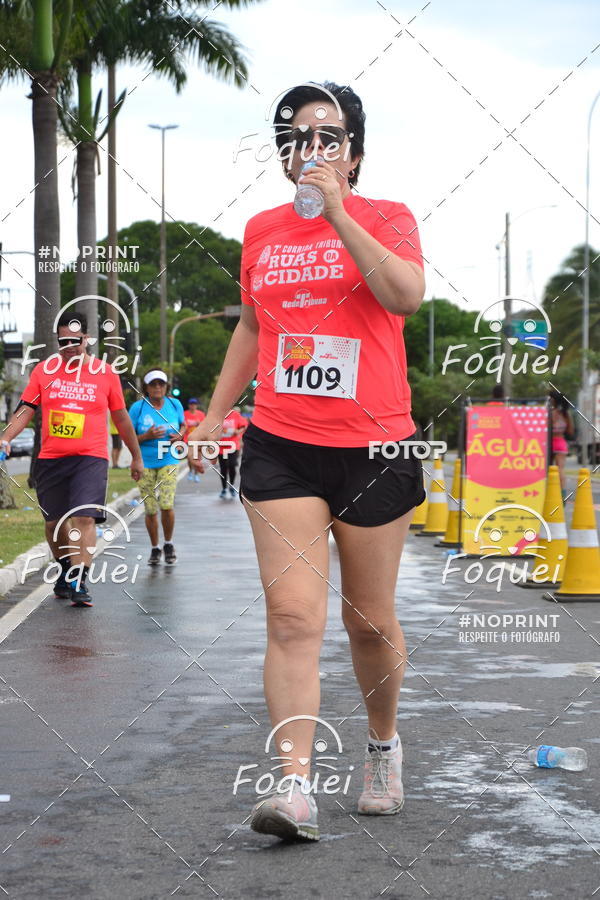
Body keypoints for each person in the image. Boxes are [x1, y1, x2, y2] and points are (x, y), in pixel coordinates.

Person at [188, 82, 425, 841]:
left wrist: (342, 215)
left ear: (354, 153)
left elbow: (405, 295)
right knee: (292, 618)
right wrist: (216, 415)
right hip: (282, 444)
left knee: (368, 623)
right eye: (294, 136)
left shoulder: (387, 217)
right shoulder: (260, 231)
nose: (309, 148)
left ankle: (383, 746)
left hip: (374, 447)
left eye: (327, 136)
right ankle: (295, 786)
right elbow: (254, 329)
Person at [0, 311, 143, 606]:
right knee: (54, 524)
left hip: (90, 458)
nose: (70, 347)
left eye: (75, 341)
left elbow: (122, 419)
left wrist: (136, 457)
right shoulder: (44, 372)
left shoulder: (106, 373)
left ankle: (80, 578)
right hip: (51, 458)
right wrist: (6, 437)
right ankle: (65, 568)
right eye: (63, 341)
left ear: (87, 339)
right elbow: (26, 409)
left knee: (83, 517)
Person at [129, 370, 185, 565]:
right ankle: (155, 548)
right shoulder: (138, 408)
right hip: (145, 461)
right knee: (151, 508)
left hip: (169, 458)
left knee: (166, 503)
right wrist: (147, 436)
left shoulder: (174, 404)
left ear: (166, 386)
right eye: (153, 384)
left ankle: (168, 543)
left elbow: (183, 426)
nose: (157, 388)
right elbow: (128, 437)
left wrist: (180, 435)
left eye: (161, 384)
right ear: (146, 388)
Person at [217, 406, 247, 499]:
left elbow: (244, 426)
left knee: (232, 465)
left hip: (233, 445)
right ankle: (224, 488)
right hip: (221, 446)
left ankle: (231, 486)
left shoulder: (235, 414)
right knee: (223, 468)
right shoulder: (219, 414)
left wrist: (237, 431)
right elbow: (212, 428)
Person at [549, 389, 574, 496]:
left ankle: (549, 492)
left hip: (549, 443)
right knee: (561, 470)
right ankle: (562, 494)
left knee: (548, 469)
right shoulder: (566, 414)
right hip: (561, 442)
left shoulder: (550, 413)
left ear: (553, 400)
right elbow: (570, 431)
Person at [183, 398, 205, 482]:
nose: (193, 406)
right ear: (189, 405)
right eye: (191, 404)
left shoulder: (201, 414)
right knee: (189, 458)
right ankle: (190, 470)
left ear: (197, 405)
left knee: (197, 458)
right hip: (187, 439)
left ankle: (196, 475)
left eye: (194, 404)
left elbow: (205, 426)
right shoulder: (185, 414)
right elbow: (182, 425)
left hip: (198, 439)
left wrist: (200, 424)